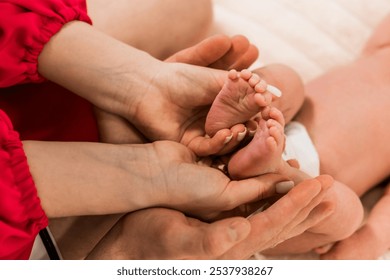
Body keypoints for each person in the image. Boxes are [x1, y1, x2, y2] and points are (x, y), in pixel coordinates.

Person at [0, 0, 334, 260]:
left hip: (63, 151)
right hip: (50, 204)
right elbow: (337, 215)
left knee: (279, 78)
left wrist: (140, 83)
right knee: (287, 82)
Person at [202, 14, 390, 259]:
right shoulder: (382, 53)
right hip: (271, 125)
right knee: (287, 79)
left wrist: (371, 240)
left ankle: (279, 170)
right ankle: (249, 102)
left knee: (350, 215)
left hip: (303, 197)